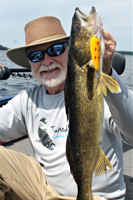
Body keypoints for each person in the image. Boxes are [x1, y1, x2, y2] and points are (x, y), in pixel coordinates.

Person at [0, 16, 133, 200]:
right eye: (36, 56)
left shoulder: (98, 88)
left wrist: (108, 72)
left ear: (70, 51)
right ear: (30, 62)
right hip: (45, 192)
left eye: (55, 50)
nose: (46, 61)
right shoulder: (27, 100)